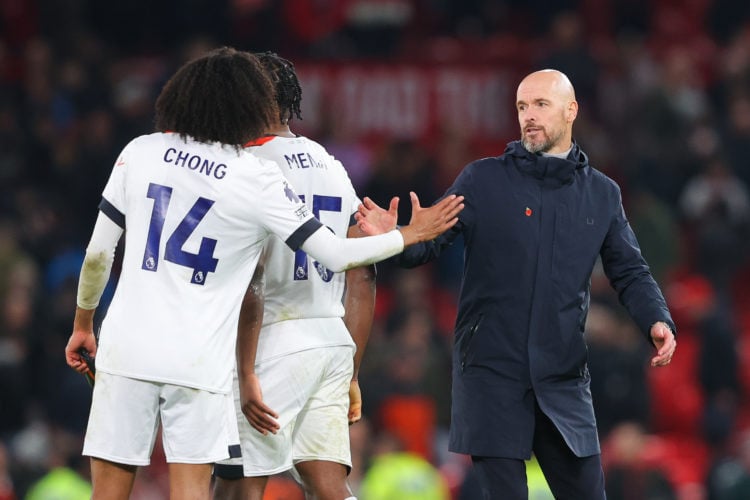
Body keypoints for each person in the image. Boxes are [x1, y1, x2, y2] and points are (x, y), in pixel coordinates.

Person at [63, 47, 464, 500]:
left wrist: (83, 324)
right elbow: (348, 262)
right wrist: (406, 240)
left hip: (168, 343)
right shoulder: (304, 167)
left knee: (206, 485)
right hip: (259, 348)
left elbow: (100, 255)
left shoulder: (151, 152)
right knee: (311, 483)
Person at [356, 69, 677, 500]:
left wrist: (656, 318)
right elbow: (427, 248)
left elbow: (630, 271)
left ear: (571, 110)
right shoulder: (482, 180)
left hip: (562, 376)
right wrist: (395, 237)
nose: (529, 116)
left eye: (541, 105)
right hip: (492, 373)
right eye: (522, 106)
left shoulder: (602, 194)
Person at [212, 51, 376, 500]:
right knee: (328, 484)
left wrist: (244, 370)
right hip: (330, 339)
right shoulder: (333, 166)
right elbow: (363, 275)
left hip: (269, 342)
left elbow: (254, 280)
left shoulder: (244, 166)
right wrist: (353, 372)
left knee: (237, 480)